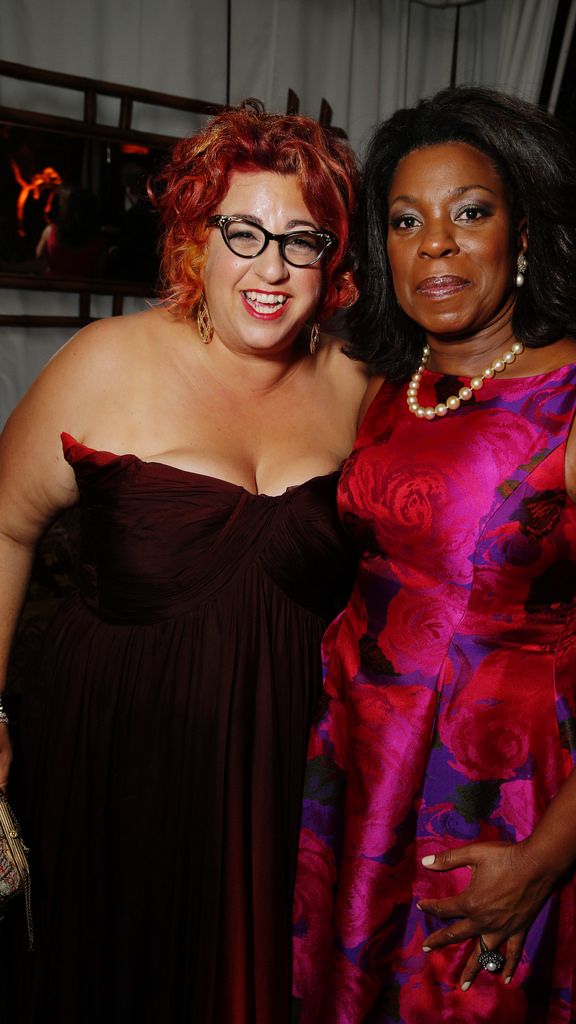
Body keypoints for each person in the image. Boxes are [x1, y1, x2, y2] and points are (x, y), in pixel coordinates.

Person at [292, 86, 576, 1023]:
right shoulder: (389, 385)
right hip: (362, 762)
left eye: (469, 212)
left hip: (498, 791)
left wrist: (541, 862)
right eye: (404, 219)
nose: (435, 242)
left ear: (521, 233)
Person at [0, 101, 368, 1023]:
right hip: (113, 753)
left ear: (334, 261)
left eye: (302, 240)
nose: (271, 269)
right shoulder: (103, 363)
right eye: (241, 231)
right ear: (193, 239)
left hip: (284, 762)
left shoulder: (360, 390)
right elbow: (3, 530)